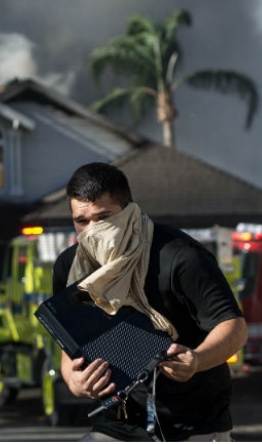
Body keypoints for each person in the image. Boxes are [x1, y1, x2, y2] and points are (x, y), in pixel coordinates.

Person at [52, 162, 248, 441]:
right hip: (117, 423)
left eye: (104, 217)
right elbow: (70, 344)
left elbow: (235, 327)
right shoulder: (70, 267)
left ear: (129, 210)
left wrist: (197, 359)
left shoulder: (180, 257)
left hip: (193, 424)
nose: (93, 231)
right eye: (82, 221)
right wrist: (74, 381)